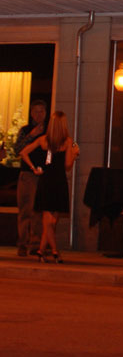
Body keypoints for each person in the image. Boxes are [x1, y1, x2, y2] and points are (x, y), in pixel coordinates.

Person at [19, 110, 80, 262]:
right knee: (51, 221)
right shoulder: (67, 142)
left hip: (46, 181)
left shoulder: (44, 140)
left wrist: (34, 168)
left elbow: (23, 152)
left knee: (50, 222)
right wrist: (74, 155)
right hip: (59, 182)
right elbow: (67, 165)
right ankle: (54, 252)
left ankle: (41, 250)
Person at [15, 99, 48, 257]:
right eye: (36, 111)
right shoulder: (25, 130)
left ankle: (36, 244)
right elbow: (17, 150)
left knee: (38, 211)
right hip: (27, 174)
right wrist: (31, 136)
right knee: (25, 210)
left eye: (42, 111)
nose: (39, 114)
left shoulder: (50, 130)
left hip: (43, 175)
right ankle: (22, 243)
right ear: (31, 113)